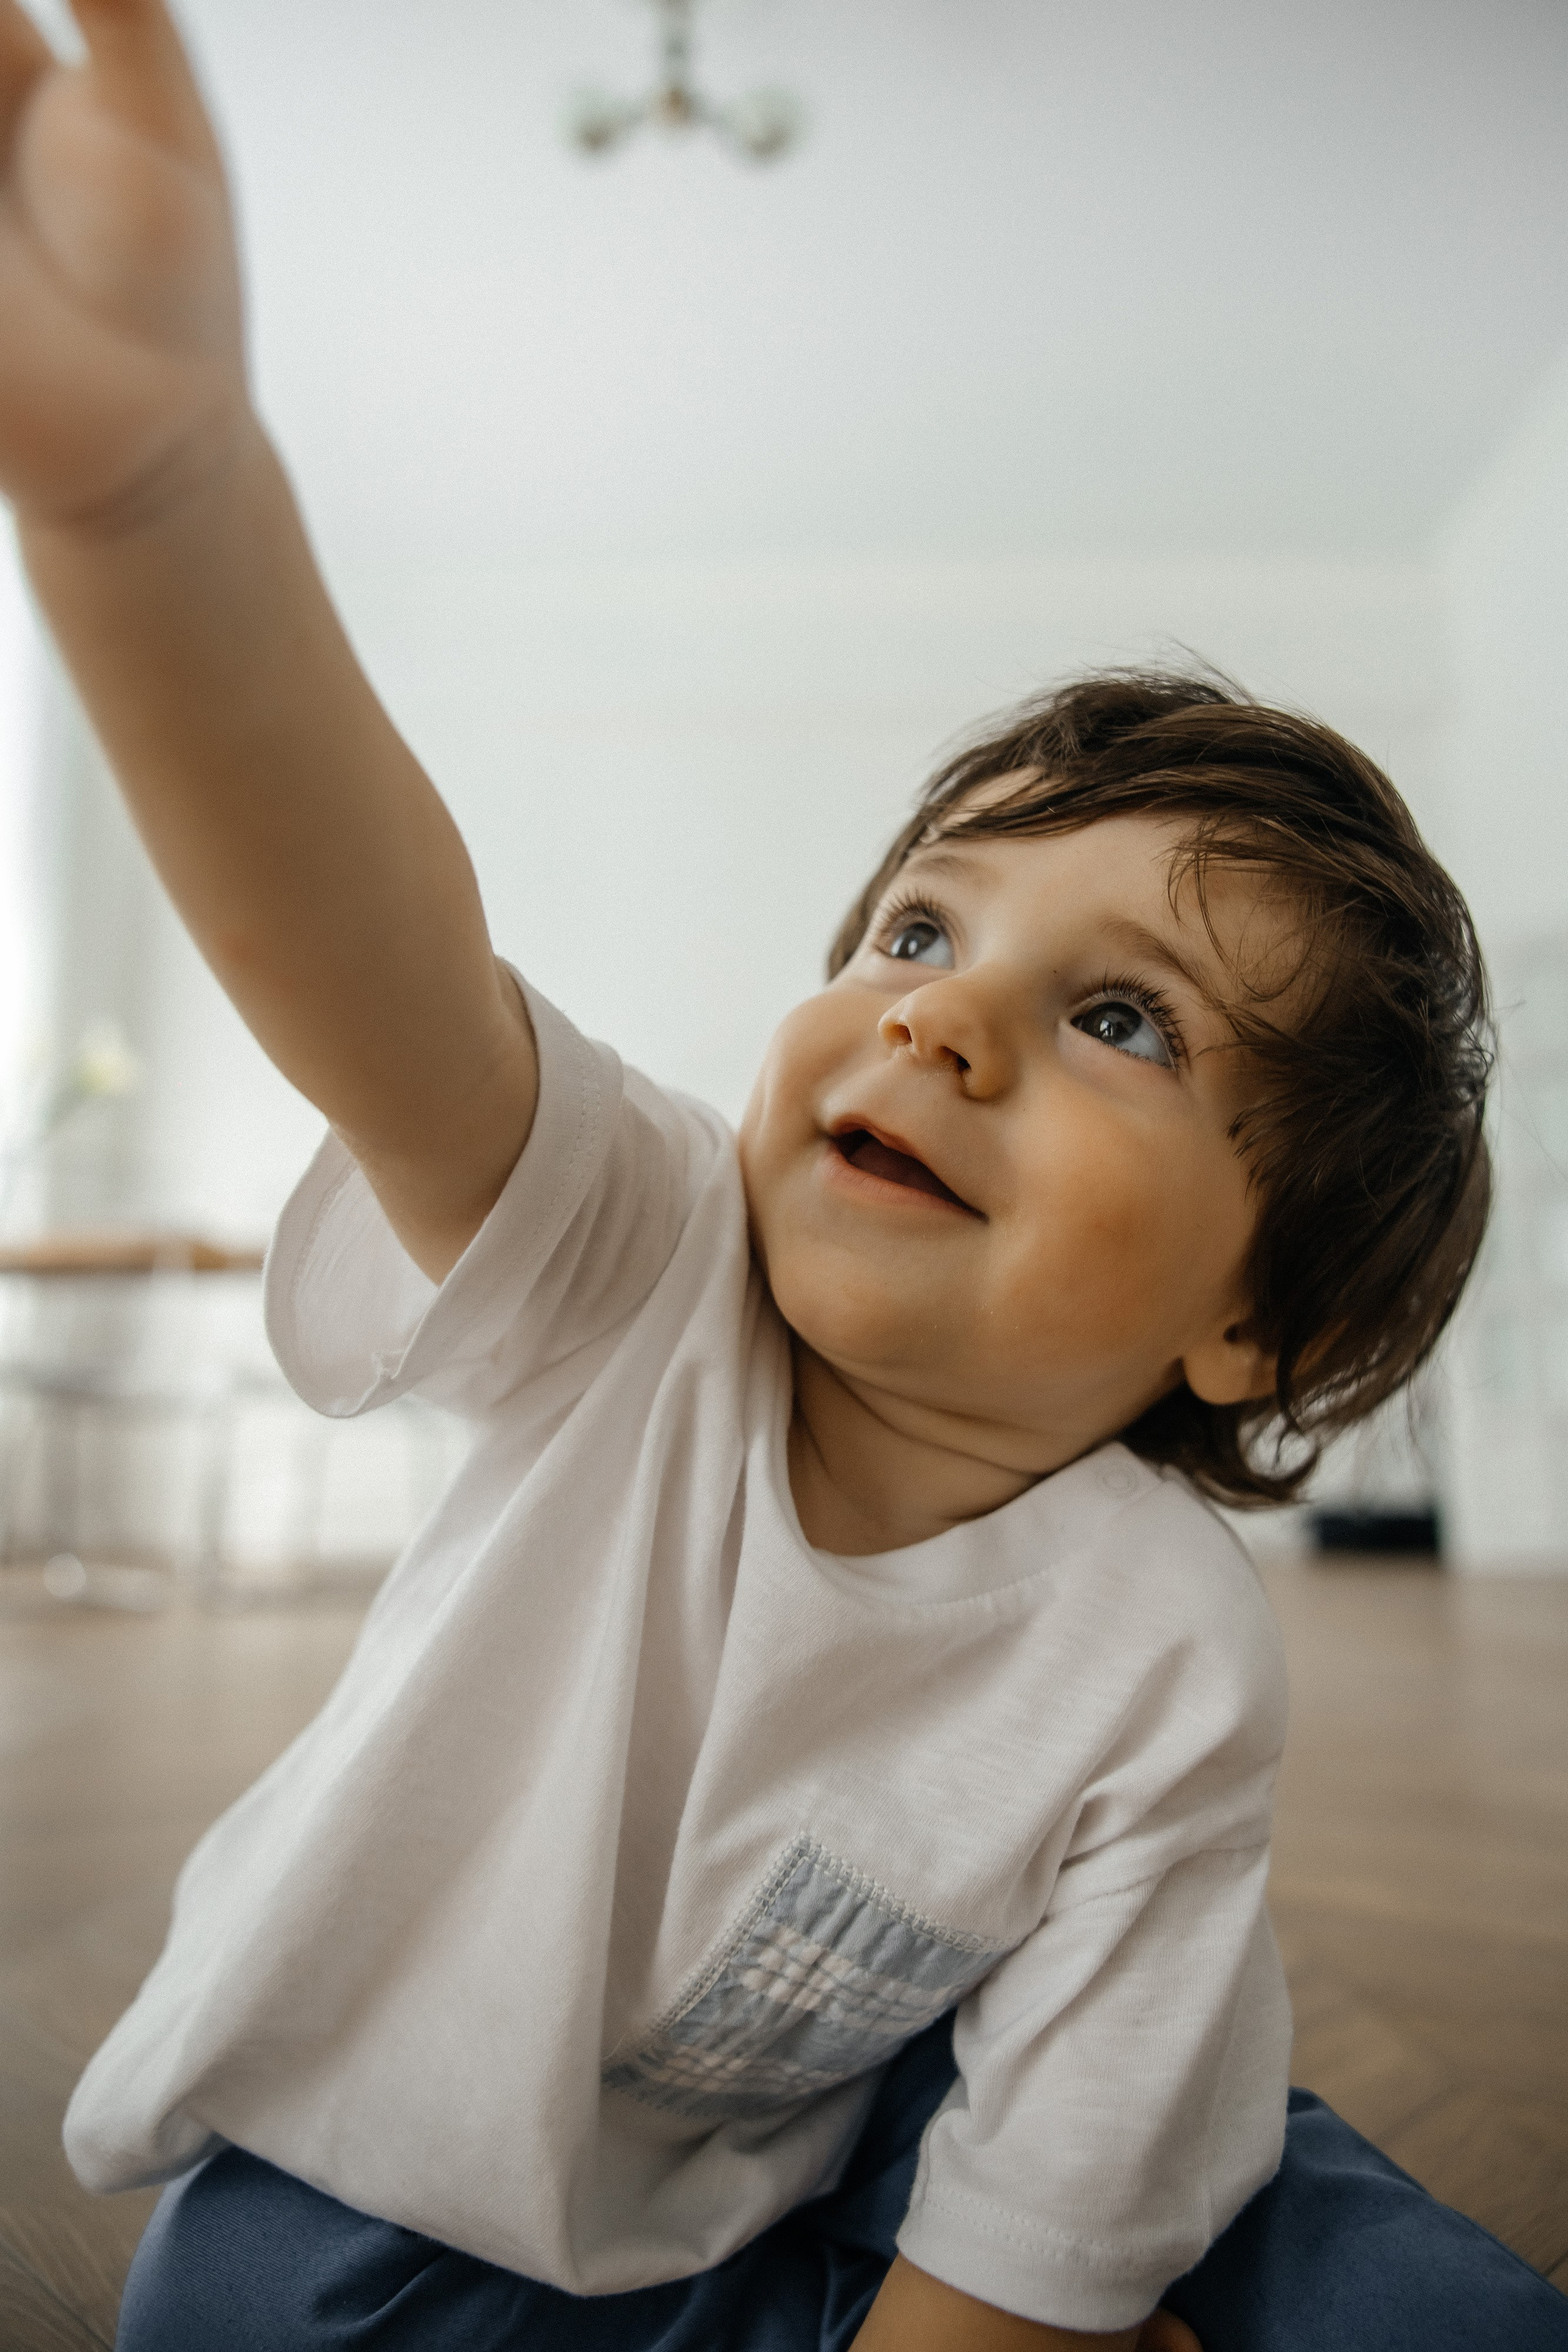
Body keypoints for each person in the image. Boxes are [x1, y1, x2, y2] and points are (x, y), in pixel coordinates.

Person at [0, 4, 1562, 2348]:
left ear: (1263, 1326)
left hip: (879, 2123)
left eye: (1119, 1019)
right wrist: (149, 494)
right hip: (415, 2181)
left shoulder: (1162, 1646)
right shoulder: (644, 1271)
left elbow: (1050, 2181)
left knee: (1369, 2274)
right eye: (925, 928)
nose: (939, 1011)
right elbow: (377, 951)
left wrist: (1011, 2284)